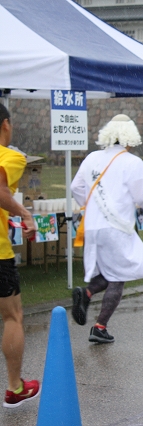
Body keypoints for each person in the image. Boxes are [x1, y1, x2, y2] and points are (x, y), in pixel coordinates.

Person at [71, 114, 143, 344]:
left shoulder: (92, 158)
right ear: (131, 136)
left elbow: (76, 187)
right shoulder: (133, 162)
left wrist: (91, 207)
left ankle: (87, 293)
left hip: (92, 227)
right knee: (119, 276)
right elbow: (140, 198)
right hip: (116, 228)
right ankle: (100, 327)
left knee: (108, 271)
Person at [0, 104, 40, 408]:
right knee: (12, 316)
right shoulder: (11, 157)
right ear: (6, 125)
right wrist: (25, 214)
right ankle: (15, 387)